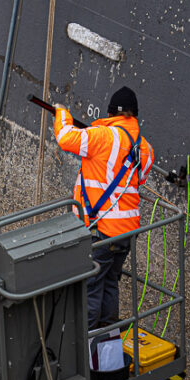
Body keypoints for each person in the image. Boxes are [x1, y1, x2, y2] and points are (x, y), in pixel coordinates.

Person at [53, 86, 154, 330]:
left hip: (102, 230)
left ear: (111, 114)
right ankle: (107, 342)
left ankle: (86, 346)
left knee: (90, 287)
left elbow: (66, 137)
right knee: (110, 282)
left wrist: (62, 113)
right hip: (127, 232)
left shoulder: (102, 136)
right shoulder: (145, 148)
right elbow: (138, 180)